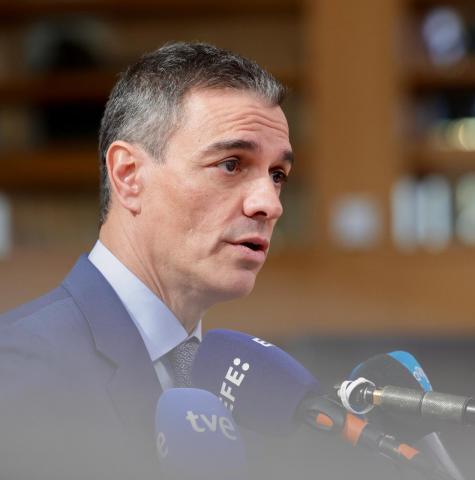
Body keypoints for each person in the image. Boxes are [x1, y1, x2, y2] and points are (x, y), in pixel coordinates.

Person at [0, 42, 292, 479]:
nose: (269, 203)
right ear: (128, 176)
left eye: (278, 175)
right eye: (231, 164)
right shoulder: (20, 367)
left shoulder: (243, 390)